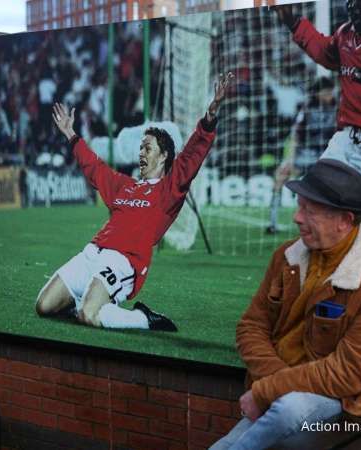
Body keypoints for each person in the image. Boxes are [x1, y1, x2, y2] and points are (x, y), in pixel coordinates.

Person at [211, 159, 361, 449]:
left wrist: (269, 389)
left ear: (344, 220)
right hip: (288, 386)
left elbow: (347, 374)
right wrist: (276, 382)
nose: (296, 217)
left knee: (287, 413)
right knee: (255, 430)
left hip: (353, 395)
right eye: (299, 205)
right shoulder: (286, 256)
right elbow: (251, 326)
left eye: (310, 210)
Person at [35, 73, 235, 332]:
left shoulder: (169, 190)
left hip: (122, 261)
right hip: (91, 253)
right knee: (43, 306)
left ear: (163, 156)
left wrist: (211, 114)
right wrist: (71, 135)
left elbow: (192, 155)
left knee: (88, 314)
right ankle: (89, 300)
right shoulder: (125, 186)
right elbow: (95, 168)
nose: (141, 153)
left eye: (147, 148)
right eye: (140, 148)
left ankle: (143, 319)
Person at [275, 0, 361, 240]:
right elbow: (324, 51)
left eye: (358, 2)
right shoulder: (345, 33)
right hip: (346, 139)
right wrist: (293, 22)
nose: (352, 6)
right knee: (314, 199)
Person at [266, 77, 337, 234]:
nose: (329, 95)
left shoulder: (337, 109)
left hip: (327, 154)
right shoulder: (306, 109)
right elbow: (295, 136)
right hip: (305, 153)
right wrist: (289, 160)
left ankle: (329, 222)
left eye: (331, 91)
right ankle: (272, 223)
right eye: (326, 92)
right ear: (317, 93)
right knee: (280, 177)